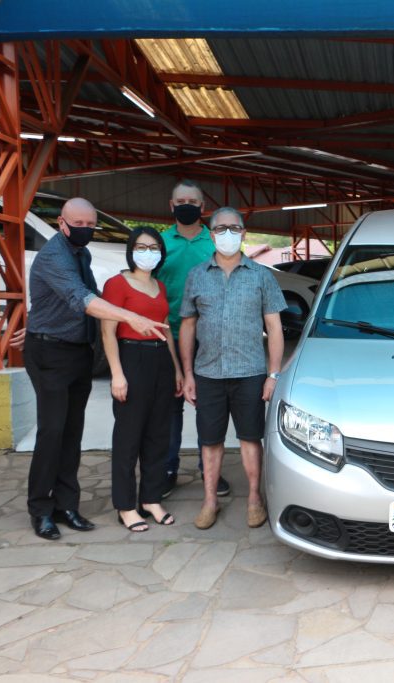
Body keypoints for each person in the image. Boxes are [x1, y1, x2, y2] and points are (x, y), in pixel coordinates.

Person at [23, 198, 168, 540]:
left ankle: (66, 505)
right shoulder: (54, 256)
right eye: (79, 224)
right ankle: (40, 509)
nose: (86, 229)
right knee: (52, 431)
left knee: (72, 431)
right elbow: (83, 300)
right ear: (62, 223)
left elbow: (77, 296)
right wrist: (130, 316)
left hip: (77, 352)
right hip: (49, 351)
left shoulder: (82, 254)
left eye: (91, 224)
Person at [180, 207, 286, 529]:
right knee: (210, 441)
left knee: (251, 438)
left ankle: (254, 498)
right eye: (221, 229)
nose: (228, 234)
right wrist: (188, 373)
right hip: (208, 373)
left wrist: (273, 374)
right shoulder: (197, 275)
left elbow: (274, 327)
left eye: (234, 228)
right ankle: (209, 500)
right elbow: (188, 325)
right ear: (212, 235)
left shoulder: (261, 276)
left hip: (250, 373)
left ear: (243, 233)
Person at [101, 228, 182, 532]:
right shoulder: (116, 284)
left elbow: (166, 329)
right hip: (131, 358)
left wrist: (176, 368)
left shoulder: (159, 286)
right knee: (128, 436)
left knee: (158, 435)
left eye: (154, 247)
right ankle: (125, 506)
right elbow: (107, 332)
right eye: (141, 246)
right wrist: (117, 374)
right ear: (131, 250)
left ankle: (151, 499)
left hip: (161, 360)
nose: (148, 252)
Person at [156, 179, 230, 499]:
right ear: (171, 206)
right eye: (180, 201)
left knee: (208, 407)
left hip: (209, 337)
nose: (186, 206)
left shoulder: (214, 243)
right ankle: (167, 468)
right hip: (166, 336)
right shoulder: (158, 244)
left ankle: (208, 468)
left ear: (202, 207)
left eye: (192, 202)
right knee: (170, 408)